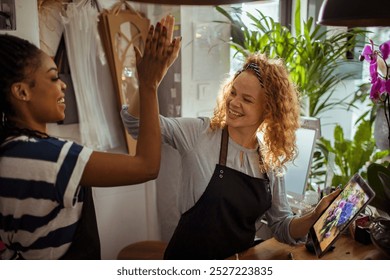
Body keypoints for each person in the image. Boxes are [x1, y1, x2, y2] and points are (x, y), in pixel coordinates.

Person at [121, 49, 340, 260]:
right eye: (233, 92)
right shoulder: (199, 133)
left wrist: (315, 215)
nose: (234, 102)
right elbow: (135, 124)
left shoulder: (269, 162)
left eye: (247, 99)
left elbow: (282, 225)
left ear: (268, 110)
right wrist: (147, 82)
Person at [0, 15, 181, 260]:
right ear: (22, 91)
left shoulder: (10, 152)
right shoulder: (47, 158)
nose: (63, 85)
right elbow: (147, 166)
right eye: (54, 77)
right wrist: (149, 83)